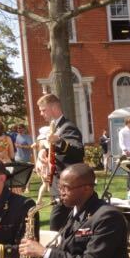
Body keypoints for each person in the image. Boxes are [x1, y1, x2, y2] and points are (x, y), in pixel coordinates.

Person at [7, 163, 130, 258]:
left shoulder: (108, 217)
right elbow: (70, 253)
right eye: (59, 187)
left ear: (87, 188)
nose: (61, 192)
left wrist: (44, 253)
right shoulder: (75, 211)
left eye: (66, 188)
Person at [36, 93, 85, 231]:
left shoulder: (68, 127)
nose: (41, 114)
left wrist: (59, 141)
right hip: (57, 185)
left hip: (67, 185)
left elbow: (78, 151)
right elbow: (54, 150)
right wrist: (43, 152)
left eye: (43, 110)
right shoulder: (55, 127)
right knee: (64, 227)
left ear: (54, 108)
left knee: (55, 225)